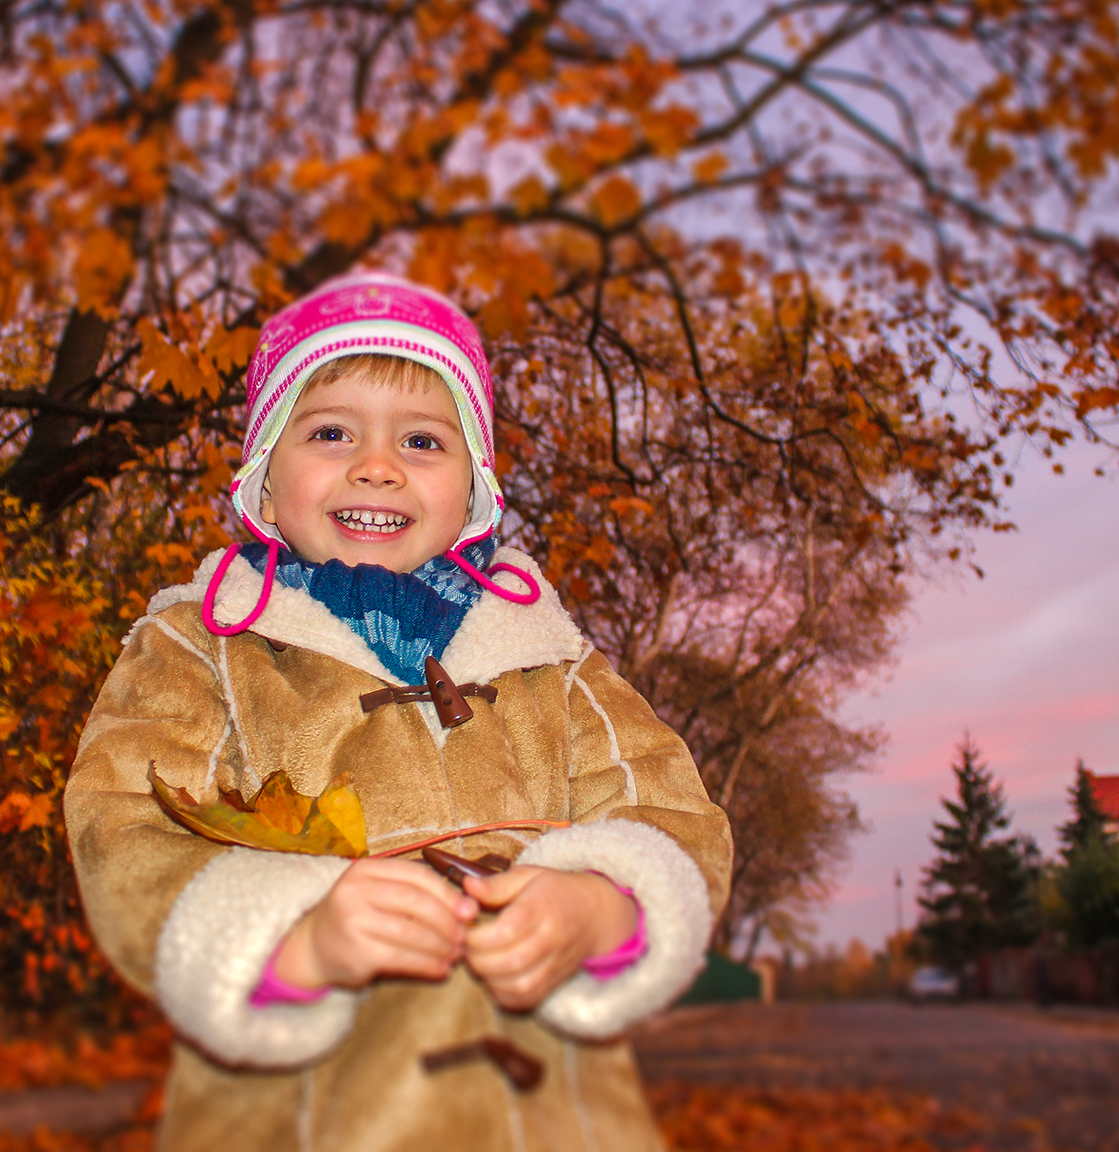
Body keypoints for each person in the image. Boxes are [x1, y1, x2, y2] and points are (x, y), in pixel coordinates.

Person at [64, 271, 731, 1152]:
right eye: (331, 431)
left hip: (555, 1123)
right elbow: (122, 826)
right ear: (265, 484)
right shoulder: (200, 648)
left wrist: (600, 908)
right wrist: (297, 934)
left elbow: (675, 815)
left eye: (422, 440)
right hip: (295, 1118)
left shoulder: (552, 661)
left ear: (474, 494)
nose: (376, 465)